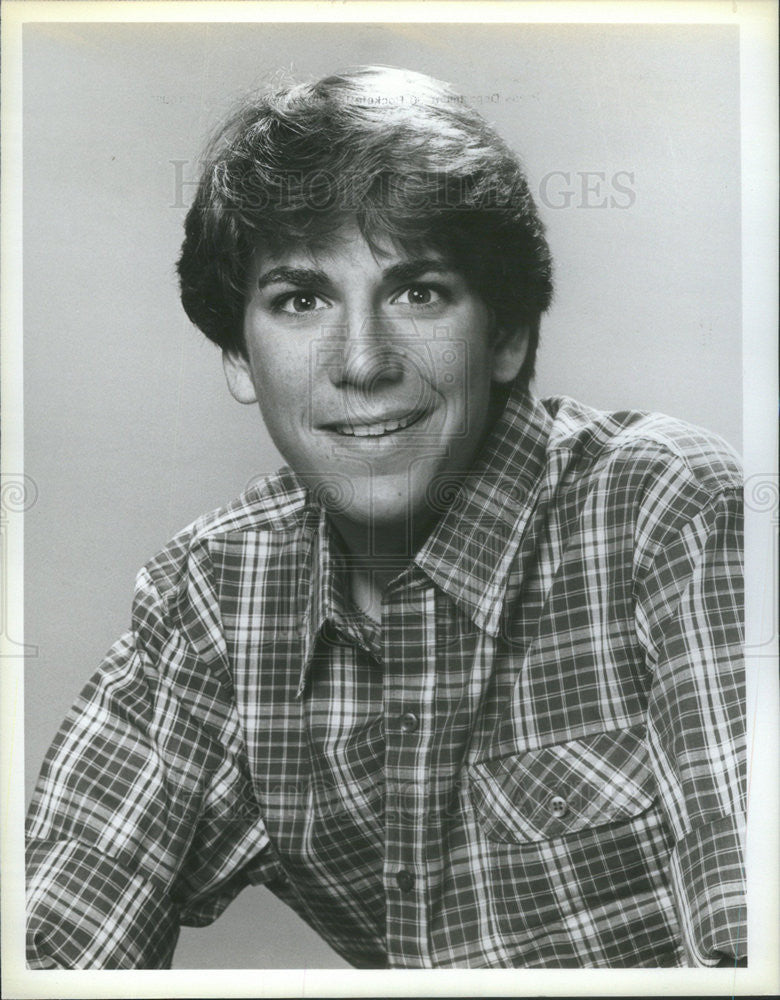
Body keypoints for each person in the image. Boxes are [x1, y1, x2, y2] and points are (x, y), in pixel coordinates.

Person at [25, 66, 746, 969]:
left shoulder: (666, 513)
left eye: (419, 293)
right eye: (300, 300)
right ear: (240, 357)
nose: (362, 362)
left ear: (510, 335)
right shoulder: (216, 596)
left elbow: (755, 944)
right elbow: (51, 945)